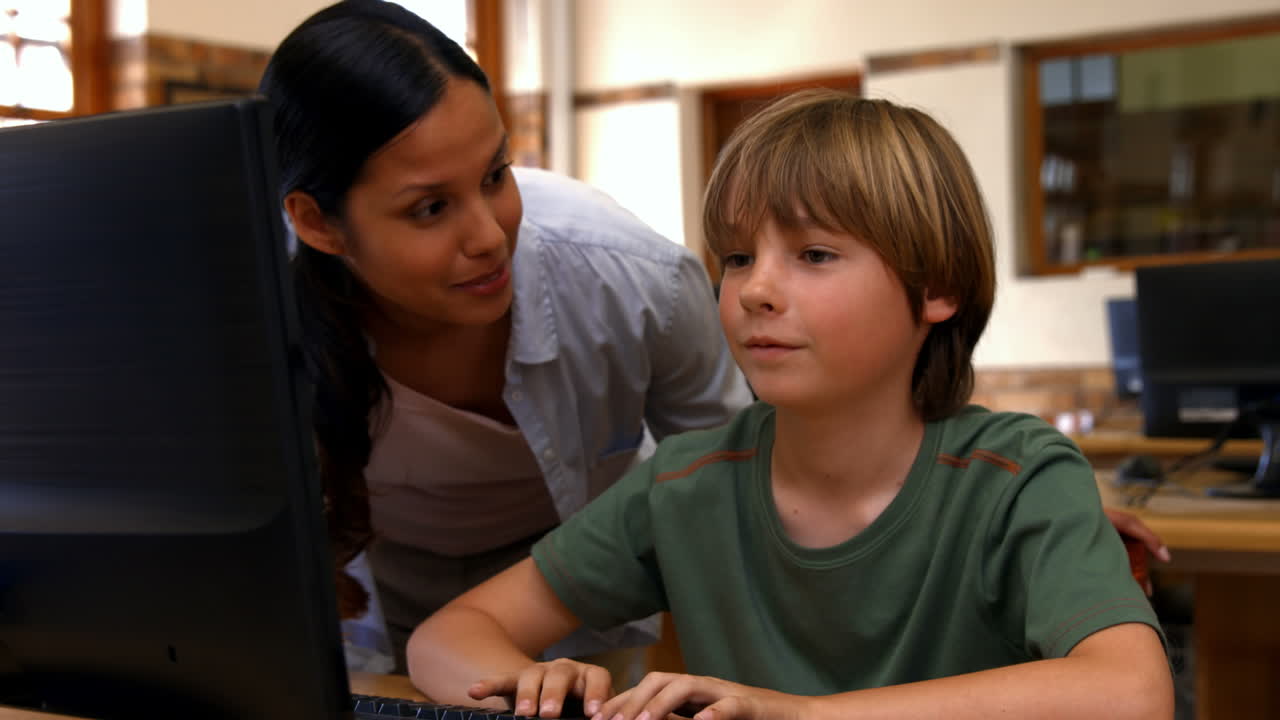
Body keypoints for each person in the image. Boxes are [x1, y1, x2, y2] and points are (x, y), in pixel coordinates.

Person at [406, 89, 1174, 720]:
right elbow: (448, 636)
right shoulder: (686, 481)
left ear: (937, 288)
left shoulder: (1019, 476)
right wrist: (533, 684)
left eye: (813, 255)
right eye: (738, 258)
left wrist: (801, 715)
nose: (755, 291)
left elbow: (1130, 691)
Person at [257, 0, 753, 675]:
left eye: (495, 175)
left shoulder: (639, 281)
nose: (491, 238)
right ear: (319, 224)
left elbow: (731, 490)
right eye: (430, 208)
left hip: (569, 583)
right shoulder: (256, 305)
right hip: (379, 581)